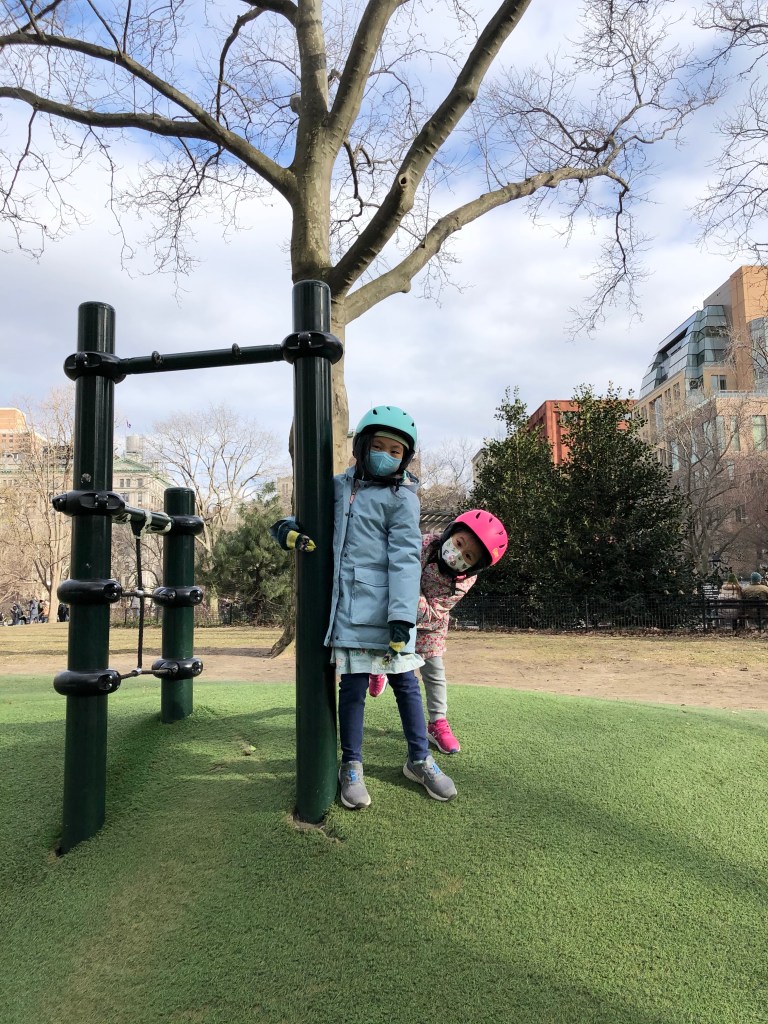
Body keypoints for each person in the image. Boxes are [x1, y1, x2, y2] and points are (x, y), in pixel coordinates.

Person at [271, 404, 457, 810]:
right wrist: (286, 527)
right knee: (353, 687)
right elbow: (308, 517)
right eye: (379, 447)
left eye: (395, 451)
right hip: (351, 608)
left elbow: (405, 559)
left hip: (390, 612)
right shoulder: (337, 486)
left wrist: (402, 617)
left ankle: (419, 758)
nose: (386, 456)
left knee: (406, 685)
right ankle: (351, 765)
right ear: (361, 447)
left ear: (405, 459)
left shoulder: (403, 498)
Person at [370, 509, 508, 756]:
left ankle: (438, 722)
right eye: (459, 543)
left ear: (475, 567)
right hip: (396, 614)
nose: (458, 554)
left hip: (430, 626)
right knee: (386, 643)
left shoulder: (463, 582)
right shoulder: (425, 544)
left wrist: (407, 594)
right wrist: (402, 594)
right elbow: (399, 568)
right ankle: (380, 668)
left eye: (468, 556)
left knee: (434, 673)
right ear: (450, 532)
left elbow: (434, 610)